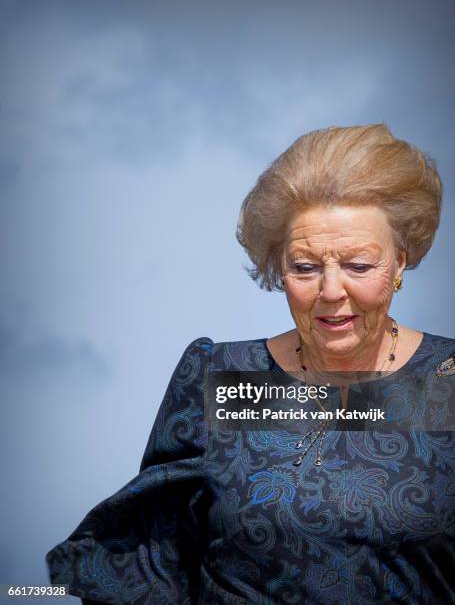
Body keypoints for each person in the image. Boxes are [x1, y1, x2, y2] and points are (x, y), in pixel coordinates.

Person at [47, 124, 455, 604]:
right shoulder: (221, 376)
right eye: (304, 267)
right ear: (277, 267)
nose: (330, 291)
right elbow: (152, 564)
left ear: (400, 262)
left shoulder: (446, 381)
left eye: (358, 265)